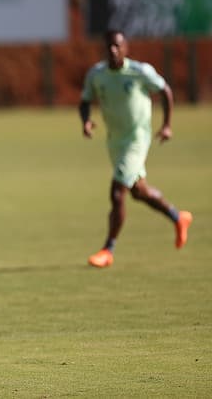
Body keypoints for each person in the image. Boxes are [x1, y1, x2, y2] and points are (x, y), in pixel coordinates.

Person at [79, 29, 193, 268]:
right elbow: (85, 99)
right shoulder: (96, 75)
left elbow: (165, 91)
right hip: (114, 141)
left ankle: (107, 250)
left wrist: (167, 125)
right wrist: (86, 121)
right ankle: (178, 217)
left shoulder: (140, 71)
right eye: (109, 46)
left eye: (117, 46)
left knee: (117, 192)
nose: (113, 50)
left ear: (125, 48)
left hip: (137, 139)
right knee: (138, 191)